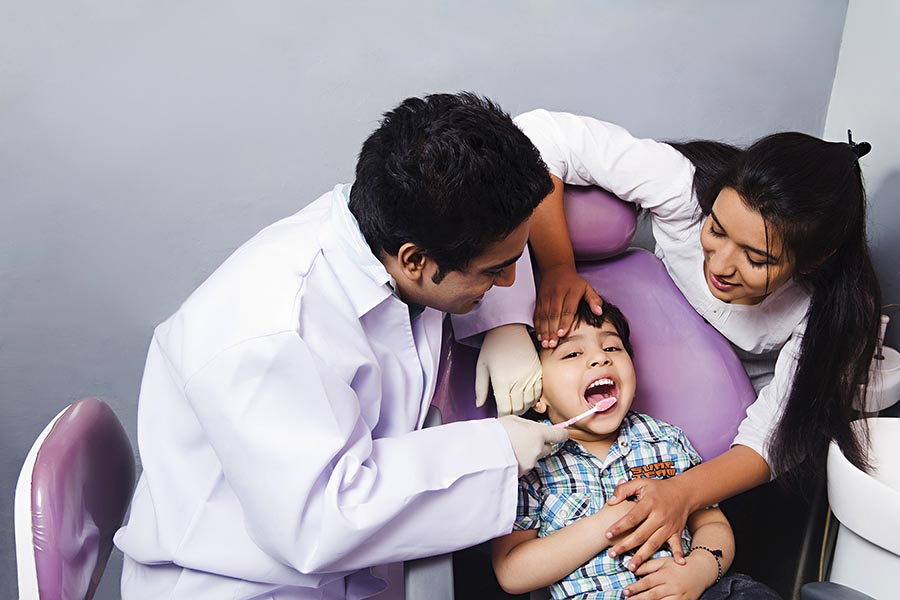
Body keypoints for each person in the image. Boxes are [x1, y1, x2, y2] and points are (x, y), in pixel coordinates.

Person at [113, 93, 570, 600]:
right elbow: (320, 523)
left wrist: (505, 323)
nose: (509, 280)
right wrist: (496, 449)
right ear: (414, 260)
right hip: (236, 585)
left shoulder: (394, 225)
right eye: (493, 272)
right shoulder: (275, 332)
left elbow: (485, 244)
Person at [515, 109, 882, 573]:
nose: (721, 265)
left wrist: (682, 493)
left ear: (814, 260)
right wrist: (558, 267)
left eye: (756, 258)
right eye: (717, 230)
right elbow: (539, 135)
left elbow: (774, 438)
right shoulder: (684, 191)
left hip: (724, 436)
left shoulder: (830, 313)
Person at [492, 301, 781, 600]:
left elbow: (711, 523)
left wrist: (700, 568)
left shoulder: (665, 439)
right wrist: (612, 520)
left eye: (613, 348)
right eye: (573, 353)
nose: (600, 359)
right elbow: (512, 572)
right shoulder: (529, 461)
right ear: (536, 394)